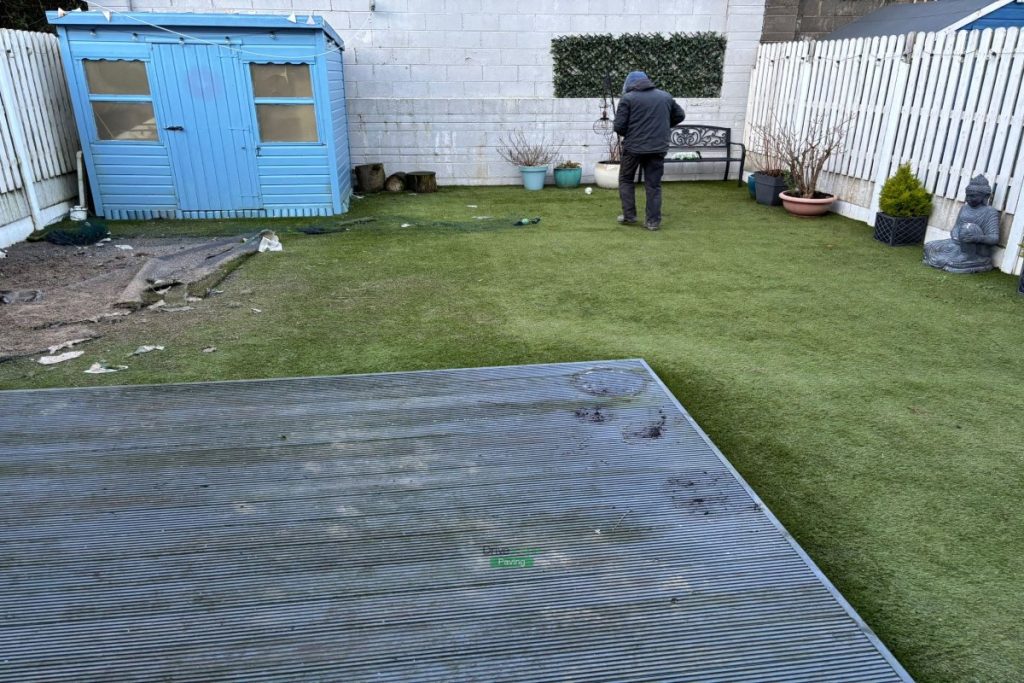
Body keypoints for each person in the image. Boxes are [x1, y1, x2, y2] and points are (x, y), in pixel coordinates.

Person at [613, 71, 686, 231]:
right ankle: (653, 222)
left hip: (633, 148)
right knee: (653, 185)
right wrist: (663, 126)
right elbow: (680, 115)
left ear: (630, 84)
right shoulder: (665, 96)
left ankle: (629, 216)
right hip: (658, 147)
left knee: (626, 180)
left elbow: (619, 127)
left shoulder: (628, 98)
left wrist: (632, 132)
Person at [923, 174, 1001, 274]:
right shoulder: (964, 208)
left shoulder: (990, 212)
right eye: (967, 195)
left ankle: (969, 257)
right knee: (929, 246)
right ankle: (956, 257)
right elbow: (956, 227)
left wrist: (977, 238)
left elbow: (994, 238)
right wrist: (955, 234)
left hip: (977, 249)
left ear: (985, 196)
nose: (968, 199)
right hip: (958, 243)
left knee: (968, 228)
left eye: (972, 196)